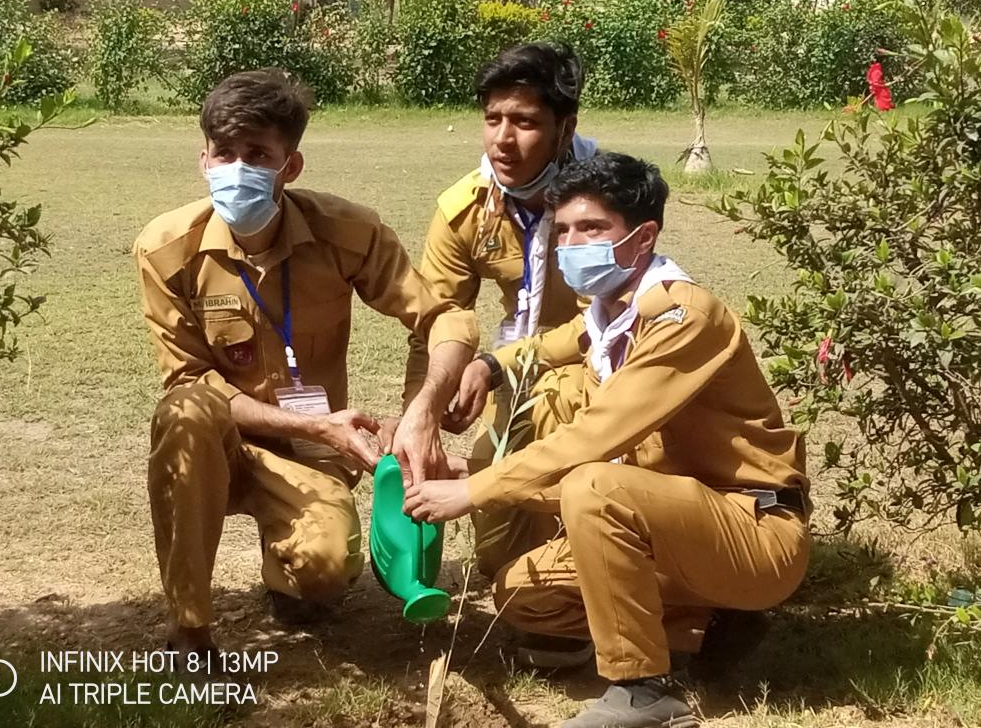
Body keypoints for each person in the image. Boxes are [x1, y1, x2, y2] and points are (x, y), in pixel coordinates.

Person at [405, 153, 811, 727]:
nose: (572, 243)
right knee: (521, 593)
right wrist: (490, 366)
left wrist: (475, 490)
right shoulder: (606, 315)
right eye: (565, 229)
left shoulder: (681, 316)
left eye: (593, 229)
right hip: (671, 522)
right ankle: (707, 626)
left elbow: (597, 440)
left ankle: (643, 690)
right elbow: (549, 345)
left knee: (594, 483)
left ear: (643, 236)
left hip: (752, 529)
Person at [133, 69, 478, 665]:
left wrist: (419, 412)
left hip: (312, 455)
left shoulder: (348, 231)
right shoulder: (167, 249)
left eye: (258, 155)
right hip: (222, 441)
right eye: (224, 154)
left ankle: (287, 570)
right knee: (186, 409)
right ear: (203, 160)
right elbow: (189, 379)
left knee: (321, 575)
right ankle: (189, 634)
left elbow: (443, 318)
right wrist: (320, 426)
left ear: (290, 166)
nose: (237, 169)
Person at [404, 42, 595, 591]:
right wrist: (424, 413)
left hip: (598, 372)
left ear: (565, 129)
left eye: (525, 122)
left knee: (567, 460)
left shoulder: (604, 201)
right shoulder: (464, 210)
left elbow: (604, 328)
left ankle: (605, 579)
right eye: (493, 119)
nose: (503, 140)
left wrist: (493, 365)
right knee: (497, 559)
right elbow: (435, 321)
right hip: (516, 376)